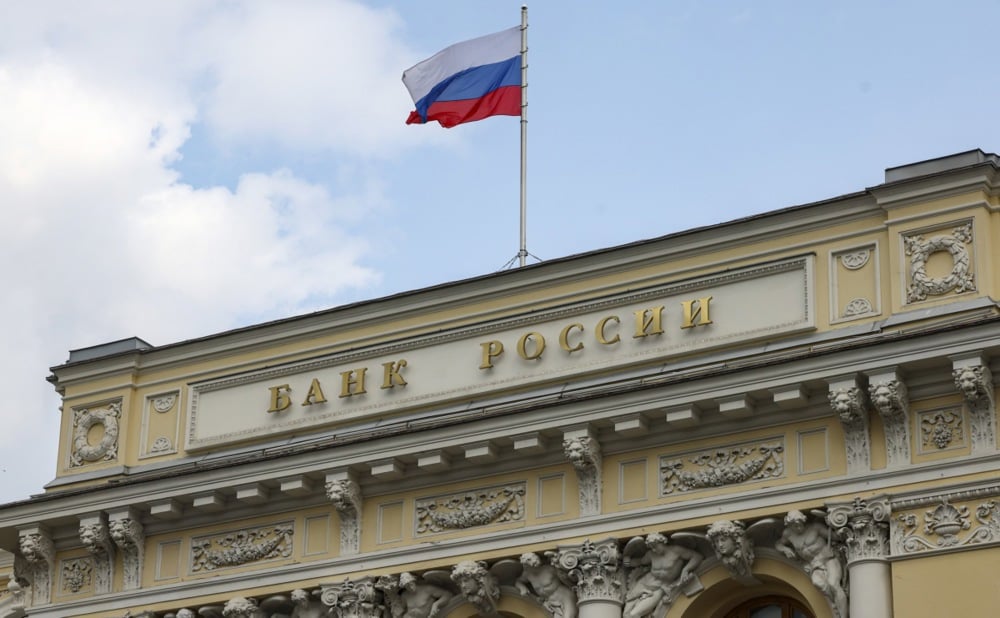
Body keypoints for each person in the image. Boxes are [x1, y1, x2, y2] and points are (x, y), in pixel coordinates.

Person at [775, 511, 847, 618]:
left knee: (833, 584)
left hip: (828, 559)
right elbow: (778, 544)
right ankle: (836, 604)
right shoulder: (788, 534)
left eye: (800, 524)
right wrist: (785, 549)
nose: (798, 528)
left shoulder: (815, 528)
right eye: (795, 526)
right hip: (814, 564)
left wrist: (833, 524)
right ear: (790, 526)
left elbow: (836, 537)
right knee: (818, 583)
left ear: (803, 521)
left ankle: (843, 615)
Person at [623, 534, 702, 618]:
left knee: (633, 615)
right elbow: (640, 561)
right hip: (643, 584)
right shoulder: (651, 554)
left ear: (662, 542)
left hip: (660, 588)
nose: (654, 549)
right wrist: (628, 562)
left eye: (655, 546)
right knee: (625, 615)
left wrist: (685, 570)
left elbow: (697, 556)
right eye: (651, 547)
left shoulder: (676, 551)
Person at [515, 553, 577, 618]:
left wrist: (574, 587)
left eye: (536, 560)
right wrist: (522, 588)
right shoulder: (528, 575)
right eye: (530, 561)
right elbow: (518, 581)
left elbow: (564, 579)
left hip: (565, 597)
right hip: (551, 603)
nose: (535, 562)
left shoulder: (549, 569)